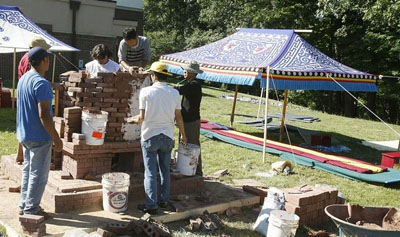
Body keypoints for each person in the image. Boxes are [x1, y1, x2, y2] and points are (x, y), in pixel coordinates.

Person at [127, 61, 187, 215]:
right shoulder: (174, 93)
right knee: (165, 170)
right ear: (165, 76)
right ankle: (164, 201)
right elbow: (178, 117)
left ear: (153, 76)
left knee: (150, 173)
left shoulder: (146, 92)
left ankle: (151, 205)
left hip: (150, 136)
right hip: (167, 136)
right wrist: (184, 135)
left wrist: (131, 120)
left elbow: (141, 118)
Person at [17, 47, 63, 216]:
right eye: (48, 59)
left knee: (28, 171)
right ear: (43, 61)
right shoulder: (41, 83)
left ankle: (24, 205)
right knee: (39, 175)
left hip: (25, 134)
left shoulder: (23, 79)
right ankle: (31, 209)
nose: (49, 62)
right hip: (40, 137)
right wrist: (56, 139)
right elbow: (44, 114)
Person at [16, 36, 51, 163]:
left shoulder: (26, 57)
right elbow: (44, 114)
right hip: (31, 95)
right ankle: (22, 156)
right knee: (30, 124)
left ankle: (21, 156)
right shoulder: (31, 60)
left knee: (24, 125)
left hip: (24, 92)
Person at [174, 61, 204, 176]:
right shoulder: (191, 83)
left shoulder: (194, 84)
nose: (184, 71)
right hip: (186, 120)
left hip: (191, 121)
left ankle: (197, 172)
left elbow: (179, 90)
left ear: (192, 72)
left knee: (193, 146)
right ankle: (184, 168)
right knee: (185, 145)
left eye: (186, 70)